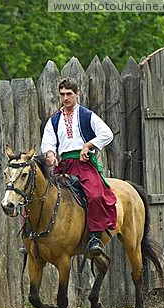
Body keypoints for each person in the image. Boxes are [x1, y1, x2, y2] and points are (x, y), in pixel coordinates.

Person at [40, 77, 116, 257]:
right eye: (62, 94)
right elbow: (48, 142)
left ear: (76, 94)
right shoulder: (54, 120)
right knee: (40, 195)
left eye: (69, 94)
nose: (65, 98)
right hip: (63, 167)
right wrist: (50, 154)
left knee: (95, 195)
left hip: (84, 165)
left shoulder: (86, 115)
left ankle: (95, 237)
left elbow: (107, 134)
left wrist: (88, 145)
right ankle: (33, 238)